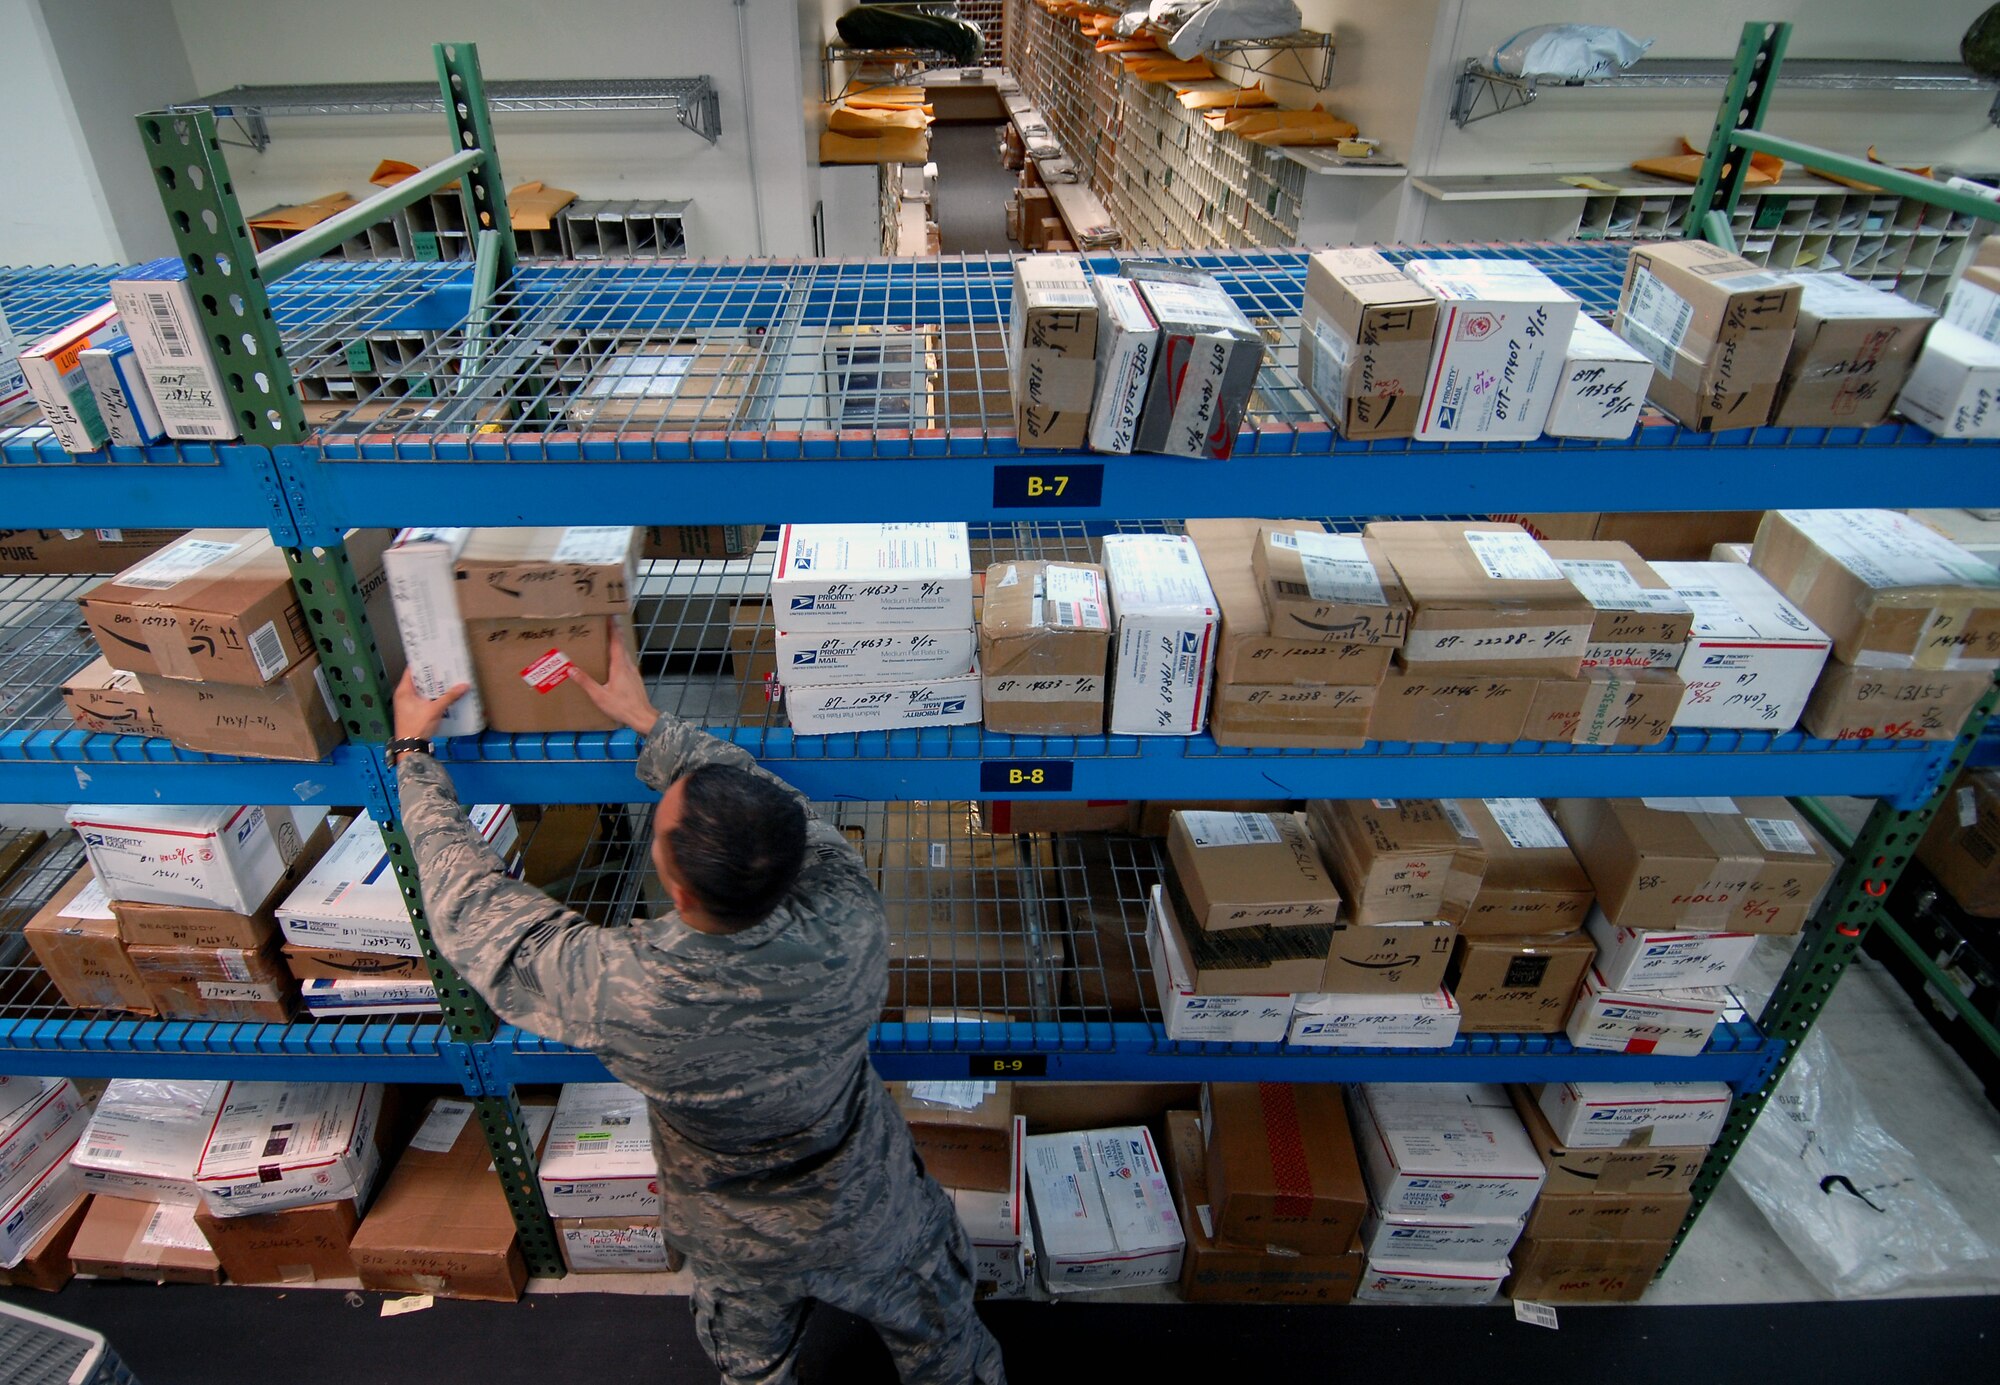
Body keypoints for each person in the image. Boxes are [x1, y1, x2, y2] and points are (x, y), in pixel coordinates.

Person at [389, 626, 1006, 1385]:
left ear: (677, 889)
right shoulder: (851, 914)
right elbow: (779, 808)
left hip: (732, 1235)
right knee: (946, 1347)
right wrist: (654, 723)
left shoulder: (623, 988)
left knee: (751, 1366)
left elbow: (473, 908)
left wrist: (412, 758)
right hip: (868, 1205)